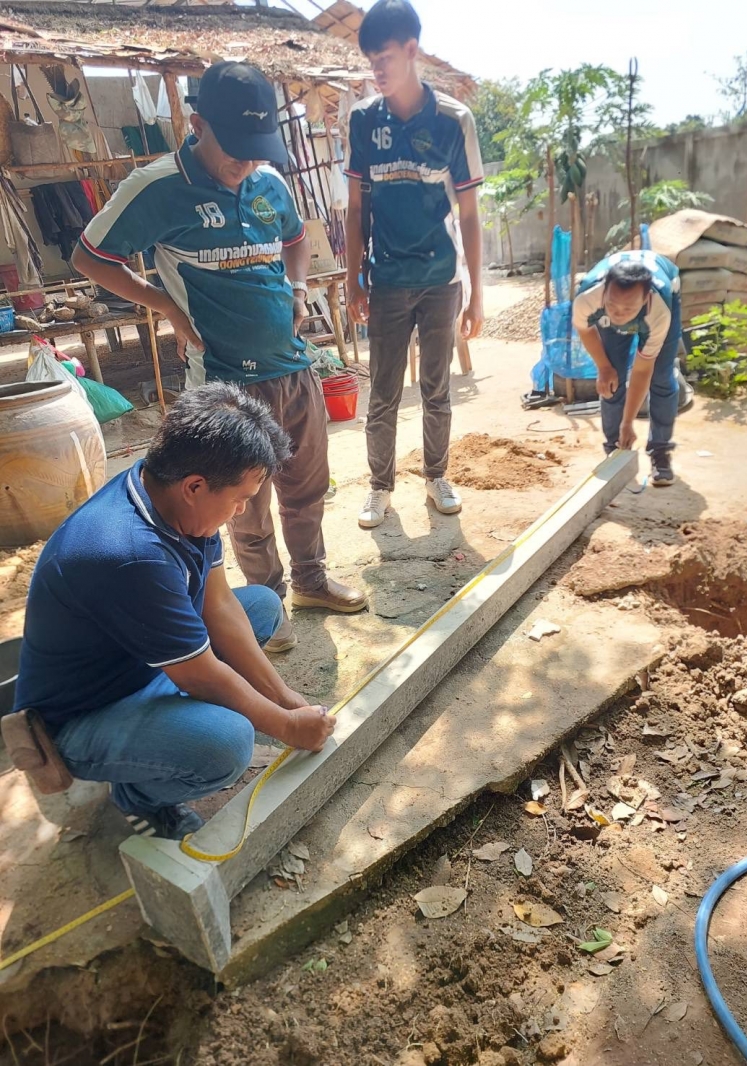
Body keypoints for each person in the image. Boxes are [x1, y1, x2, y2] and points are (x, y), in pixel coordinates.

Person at [72, 61, 366, 655]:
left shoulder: (268, 181)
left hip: (294, 367)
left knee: (306, 486)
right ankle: (268, 602)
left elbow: (295, 240)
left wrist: (299, 289)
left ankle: (311, 581)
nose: (246, 163)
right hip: (227, 383)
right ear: (197, 125)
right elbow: (90, 257)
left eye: (257, 150)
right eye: (235, 148)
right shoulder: (157, 187)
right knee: (244, 502)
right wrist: (164, 304)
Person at [13, 384, 335, 841]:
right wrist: (286, 727)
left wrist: (285, 700)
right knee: (227, 744)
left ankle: (174, 730)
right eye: (239, 498)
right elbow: (200, 675)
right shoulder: (128, 553)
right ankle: (137, 795)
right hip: (84, 714)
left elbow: (219, 605)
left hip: (142, 663)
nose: (241, 510)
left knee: (261, 606)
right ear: (195, 487)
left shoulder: (172, 495)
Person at [344, 0, 485, 529]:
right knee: (382, 393)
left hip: (440, 280)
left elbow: (469, 213)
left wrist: (477, 292)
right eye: (371, 61)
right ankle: (380, 488)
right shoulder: (363, 120)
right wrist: (354, 279)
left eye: (384, 58)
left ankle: (436, 477)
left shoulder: (453, 120)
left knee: (436, 389)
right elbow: (355, 208)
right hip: (386, 281)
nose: (377, 71)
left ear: (411, 50)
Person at [572, 250, 682, 486]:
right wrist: (603, 367)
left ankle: (660, 451)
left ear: (645, 299)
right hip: (612, 304)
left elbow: (642, 370)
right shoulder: (588, 297)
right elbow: (585, 329)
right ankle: (615, 449)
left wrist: (628, 422)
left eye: (628, 309)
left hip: (664, 296)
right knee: (611, 380)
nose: (619, 315)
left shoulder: (659, 309)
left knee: (661, 377)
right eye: (612, 305)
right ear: (604, 291)